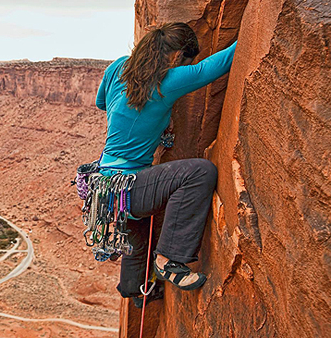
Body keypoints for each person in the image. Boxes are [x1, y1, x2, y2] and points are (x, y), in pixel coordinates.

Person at [94, 22, 237, 302]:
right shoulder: (166, 82)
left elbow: (101, 103)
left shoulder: (117, 68)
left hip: (106, 186)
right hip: (130, 186)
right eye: (185, 62)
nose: (185, 67)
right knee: (199, 172)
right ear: (177, 56)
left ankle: (136, 291)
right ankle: (169, 260)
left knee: (139, 235)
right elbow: (212, 68)